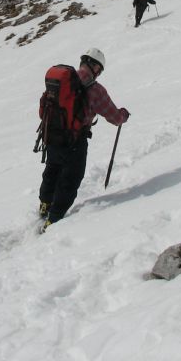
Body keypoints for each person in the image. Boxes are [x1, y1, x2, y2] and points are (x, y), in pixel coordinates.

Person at [38, 47, 129, 230]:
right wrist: (123, 116)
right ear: (95, 67)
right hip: (75, 141)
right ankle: (54, 219)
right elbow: (113, 116)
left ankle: (45, 204)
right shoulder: (95, 89)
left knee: (52, 170)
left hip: (52, 136)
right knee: (70, 179)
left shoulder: (62, 81)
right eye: (99, 70)